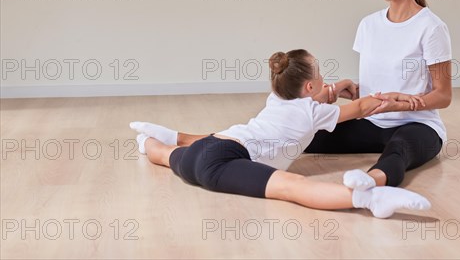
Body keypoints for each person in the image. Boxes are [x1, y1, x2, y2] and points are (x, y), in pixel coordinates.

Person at [130, 49, 431, 219]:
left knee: (165, 156)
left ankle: (149, 140)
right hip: (223, 162)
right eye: (320, 75)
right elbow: (363, 107)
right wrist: (396, 98)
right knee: (292, 187)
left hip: (209, 147)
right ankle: (369, 200)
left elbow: (318, 97)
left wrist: (338, 87)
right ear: (310, 87)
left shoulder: (277, 98)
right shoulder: (313, 113)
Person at [305, 0, 453, 191]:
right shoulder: (368, 25)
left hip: (417, 126)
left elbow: (443, 95)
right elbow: (380, 80)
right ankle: (235, 142)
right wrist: (347, 88)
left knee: (399, 151)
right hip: (372, 123)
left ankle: (370, 186)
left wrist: (403, 103)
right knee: (308, 136)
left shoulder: (431, 27)